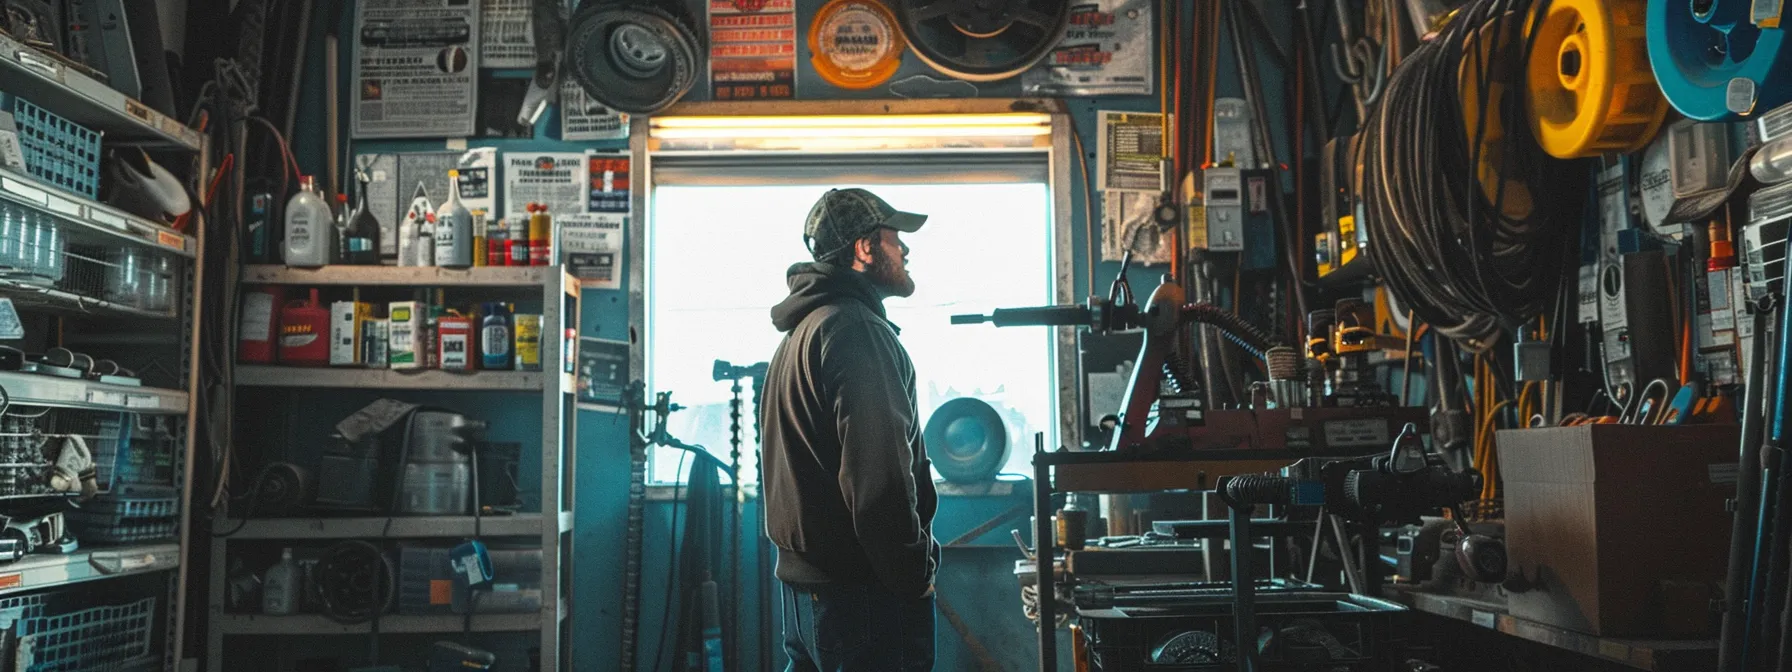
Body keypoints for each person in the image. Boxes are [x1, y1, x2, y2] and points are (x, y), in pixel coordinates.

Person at [761, 188, 939, 671]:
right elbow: (878, 478)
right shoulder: (855, 331)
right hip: (862, 594)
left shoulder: (804, 331)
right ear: (864, 249)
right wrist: (913, 574)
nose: (904, 250)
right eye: (894, 238)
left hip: (809, 592)